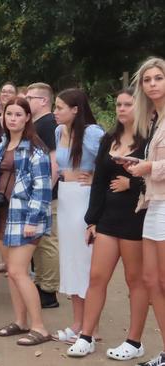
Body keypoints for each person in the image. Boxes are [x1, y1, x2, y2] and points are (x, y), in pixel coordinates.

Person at [67, 88, 149, 359]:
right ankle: (87, 336)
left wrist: (133, 182)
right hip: (107, 220)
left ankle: (134, 342)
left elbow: (158, 175)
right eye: (118, 104)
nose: (122, 109)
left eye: (128, 104)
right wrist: (92, 219)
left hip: (136, 219)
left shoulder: (150, 140)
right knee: (96, 278)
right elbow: (99, 181)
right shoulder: (108, 139)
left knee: (134, 281)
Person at [0, 96, 52, 346]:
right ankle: (21, 321)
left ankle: (40, 328)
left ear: (27, 118)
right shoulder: (2, 145)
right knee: (13, 274)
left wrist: (33, 221)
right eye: (9, 114)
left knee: (17, 271)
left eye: (18, 114)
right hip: (2, 215)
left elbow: (43, 189)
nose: (13, 118)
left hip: (25, 218)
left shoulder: (36, 149)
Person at [51, 88, 105, 344]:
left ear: (75, 109)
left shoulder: (93, 133)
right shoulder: (58, 131)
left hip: (84, 198)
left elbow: (110, 161)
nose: (55, 111)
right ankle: (77, 322)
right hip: (65, 196)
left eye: (60, 107)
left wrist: (96, 178)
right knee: (70, 261)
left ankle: (91, 328)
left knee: (85, 262)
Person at [127, 57, 165, 366]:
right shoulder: (154, 118)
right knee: (152, 282)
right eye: (147, 79)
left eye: (158, 78)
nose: (152, 84)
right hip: (152, 202)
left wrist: (149, 166)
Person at [26, 82, 60, 309]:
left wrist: (45, 191)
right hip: (36, 192)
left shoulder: (48, 124)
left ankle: (48, 290)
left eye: (30, 97)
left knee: (47, 241)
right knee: (37, 241)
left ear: (43, 100)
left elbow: (54, 162)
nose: (26, 100)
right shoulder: (38, 124)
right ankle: (39, 282)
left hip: (46, 193)